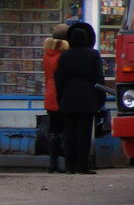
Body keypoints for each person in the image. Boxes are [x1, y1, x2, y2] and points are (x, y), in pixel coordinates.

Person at [54, 22, 105, 174]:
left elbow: (59, 79)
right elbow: (99, 79)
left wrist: (60, 98)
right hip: (87, 98)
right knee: (84, 135)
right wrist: (100, 99)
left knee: (70, 135)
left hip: (68, 98)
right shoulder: (93, 55)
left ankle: (69, 166)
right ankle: (82, 166)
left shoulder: (64, 55)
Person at [42, 24, 70, 173]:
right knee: (65, 130)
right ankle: (67, 162)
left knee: (54, 130)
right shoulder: (64, 55)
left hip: (50, 94)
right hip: (62, 94)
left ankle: (52, 163)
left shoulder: (48, 53)